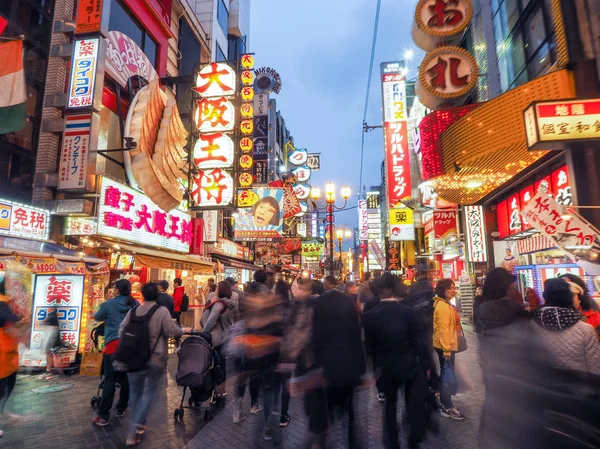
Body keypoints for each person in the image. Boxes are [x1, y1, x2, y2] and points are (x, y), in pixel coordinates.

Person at [118, 283, 190, 446]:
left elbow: (121, 330)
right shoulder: (161, 311)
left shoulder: (133, 310)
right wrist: (183, 331)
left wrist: (131, 345)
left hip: (133, 359)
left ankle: (137, 425)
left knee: (135, 393)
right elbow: (172, 330)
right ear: (156, 296)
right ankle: (136, 426)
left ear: (142, 295)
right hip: (154, 360)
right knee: (149, 393)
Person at [363, 274, 424, 449]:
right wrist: (424, 364)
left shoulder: (370, 316)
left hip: (386, 367)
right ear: (392, 289)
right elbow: (417, 341)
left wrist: (374, 370)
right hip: (409, 365)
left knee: (390, 406)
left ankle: (392, 443)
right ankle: (413, 441)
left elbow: (369, 347)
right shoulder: (409, 312)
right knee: (411, 404)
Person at [308, 275, 366, 447]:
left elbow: (313, 338)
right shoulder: (348, 303)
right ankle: (352, 441)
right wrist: (362, 369)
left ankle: (323, 437)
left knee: (326, 405)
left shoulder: (317, 305)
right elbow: (357, 338)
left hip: (325, 366)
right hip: (349, 366)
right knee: (350, 409)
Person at [92, 279, 138, 426]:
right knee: (125, 378)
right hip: (130, 346)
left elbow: (97, 316)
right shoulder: (135, 304)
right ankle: (121, 408)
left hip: (112, 345)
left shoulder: (109, 304)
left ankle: (104, 415)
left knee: (110, 378)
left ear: (117, 290)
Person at [531, 278, 600, 375]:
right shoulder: (585, 329)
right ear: (569, 298)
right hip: (580, 386)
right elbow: (595, 367)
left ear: (545, 298)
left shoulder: (530, 325)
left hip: (544, 386)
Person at [0, 280, 30, 437]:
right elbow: (12, 323)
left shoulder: (9, 303)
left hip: (8, 355)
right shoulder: (2, 303)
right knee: (3, 387)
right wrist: (24, 320)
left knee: (8, 385)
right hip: (3, 355)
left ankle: (3, 411)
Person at [432, 279, 464, 420]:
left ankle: (445, 403)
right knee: (447, 377)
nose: (453, 290)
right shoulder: (443, 306)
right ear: (442, 290)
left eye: (454, 287)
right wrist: (446, 350)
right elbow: (444, 330)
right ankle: (447, 406)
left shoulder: (444, 304)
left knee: (447, 374)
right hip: (445, 346)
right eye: (450, 288)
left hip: (445, 345)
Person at [201, 281, 238, 395]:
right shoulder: (232, 303)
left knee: (215, 363)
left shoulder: (219, 304)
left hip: (217, 338)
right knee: (222, 363)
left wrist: (203, 333)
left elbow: (211, 321)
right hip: (226, 336)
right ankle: (222, 388)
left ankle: (216, 387)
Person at [39, 307, 61, 380]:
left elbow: (48, 325)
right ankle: (52, 371)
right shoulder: (52, 315)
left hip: (52, 338)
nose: (48, 308)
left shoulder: (52, 315)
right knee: (50, 353)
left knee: (48, 353)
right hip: (52, 338)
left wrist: (44, 322)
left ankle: (50, 371)